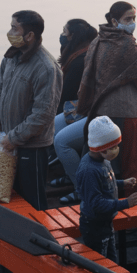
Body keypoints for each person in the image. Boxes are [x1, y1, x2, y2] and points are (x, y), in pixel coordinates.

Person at [77, 1, 137, 197]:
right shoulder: (126, 44)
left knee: (107, 168)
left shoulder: (98, 41)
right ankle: (133, 215)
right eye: (128, 19)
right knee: (134, 169)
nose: (132, 23)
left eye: (134, 19)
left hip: (101, 117)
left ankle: (106, 205)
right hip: (128, 118)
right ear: (115, 21)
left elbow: (87, 75)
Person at [0, 10, 62, 211]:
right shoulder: (11, 56)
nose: (10, 32)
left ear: (29, 36)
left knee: (33, 201)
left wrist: (14, 138)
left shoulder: (46, 67)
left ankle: (43, 238)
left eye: (14, 28)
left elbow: (42, 114)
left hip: (32, 147)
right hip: (7, 140)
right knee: (12, 196)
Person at [76, 116, 137, 262]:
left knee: (112, 260)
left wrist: (122, 183)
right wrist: (126, 203)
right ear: (99, 147)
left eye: (117, 146)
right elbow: (96, 203)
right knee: (100, 263)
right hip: (94, 226)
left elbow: (106, 182)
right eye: (112, 147)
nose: (116, 150)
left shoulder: (103, 161)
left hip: (106, 222)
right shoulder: (89, 170)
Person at [50, 19, 98, 203]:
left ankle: (82, 188)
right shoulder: (76, 56)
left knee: (62, 141)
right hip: (82, 107)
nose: (62, 36)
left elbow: (66, 93)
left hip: (93, 110)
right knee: (53, 127)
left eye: (65, 32)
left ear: (73, 37)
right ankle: (70, 176)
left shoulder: (81, 60)